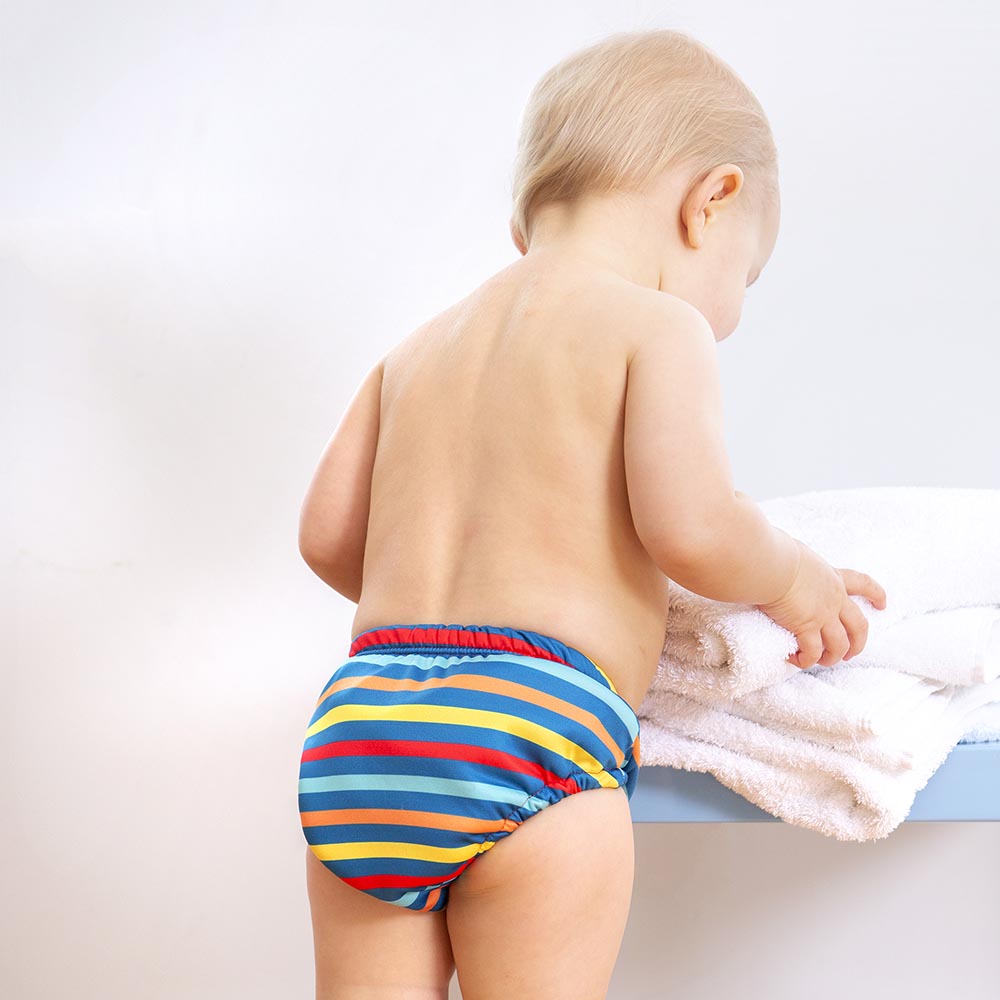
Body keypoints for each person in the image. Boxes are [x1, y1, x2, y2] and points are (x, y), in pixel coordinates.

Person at [295, 27, 887, 1000]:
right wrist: (790, 575)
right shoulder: (656, 326)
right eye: (743, 279)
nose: (727, 314)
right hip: (536, 727)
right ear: (711, 203)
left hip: (366, 732)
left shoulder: (414, 351)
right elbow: (692, 525)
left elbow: (325, 537)